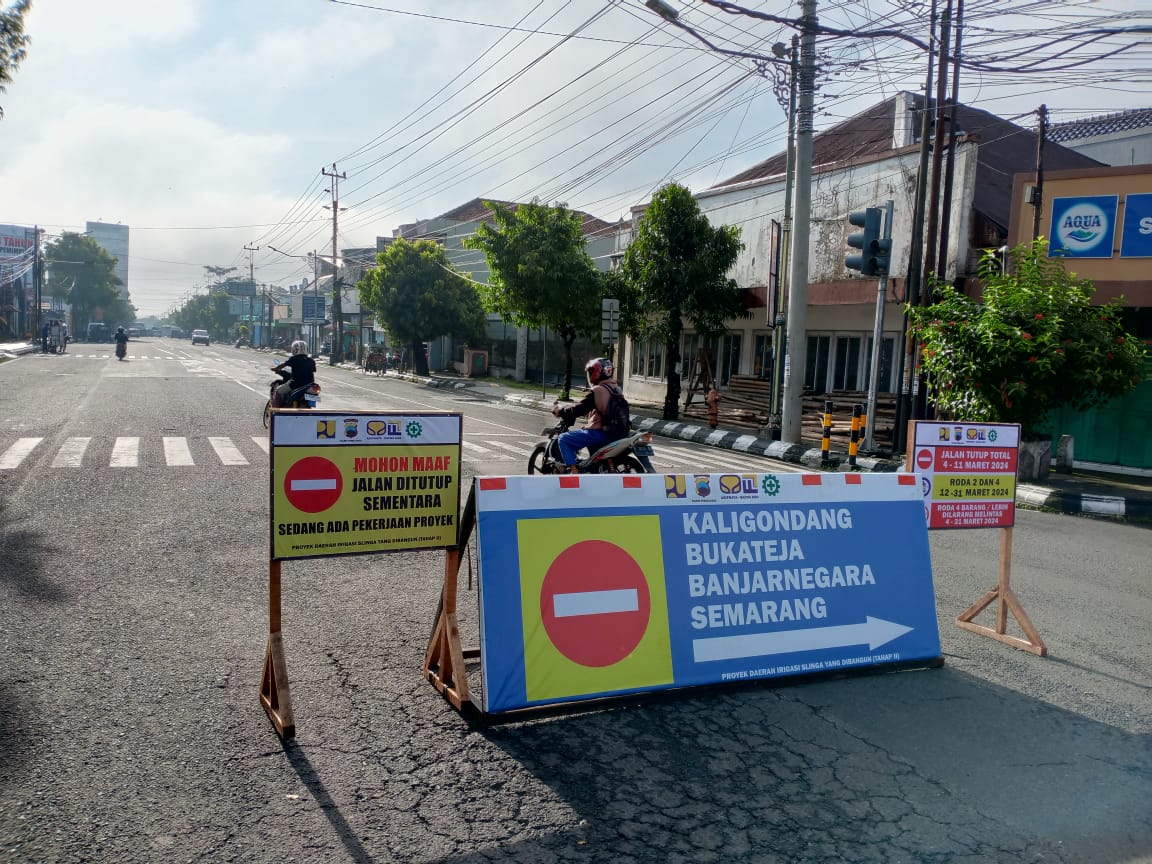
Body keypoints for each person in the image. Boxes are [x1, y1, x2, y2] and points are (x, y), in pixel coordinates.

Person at [551, 357, 624, 473]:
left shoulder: (598, 390)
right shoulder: (616, 388)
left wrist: (561, 411)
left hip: (599, 433)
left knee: (563, 439)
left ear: (596, 372)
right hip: (616, 433)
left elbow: (580, 408)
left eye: (590, 372)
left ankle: (575, 473)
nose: (590, 375)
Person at [271, 340, 316, 407]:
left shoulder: (293, 358)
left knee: (278, 390)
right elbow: (314, 370)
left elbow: (283, 365)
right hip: (309, 384)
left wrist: (276, 369)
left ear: (294, 349)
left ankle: (274, 411)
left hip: (295, 384)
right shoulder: (311, 360)